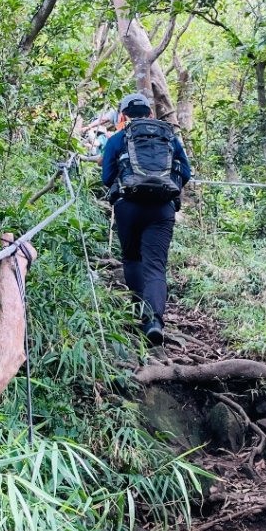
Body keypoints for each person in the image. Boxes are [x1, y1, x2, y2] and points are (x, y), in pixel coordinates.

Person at [101, 93, 191, 345]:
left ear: (123, 116)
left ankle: (139, 310)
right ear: (150, 113)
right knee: (155, 266)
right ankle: (153, 322)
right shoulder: (169, 136)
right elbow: (185, 172)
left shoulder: (117, 139)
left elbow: (107, 178)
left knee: (132, 258)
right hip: (162, 208)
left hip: (128, 206)